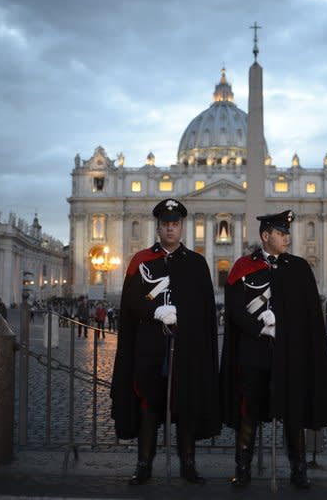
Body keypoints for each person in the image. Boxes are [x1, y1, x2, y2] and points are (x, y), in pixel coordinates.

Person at [220, 210, 327, 489]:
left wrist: (282, 325)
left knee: (293, 411)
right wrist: (260, 327)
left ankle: (298, 469)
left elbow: (308, 314)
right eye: (281, 233)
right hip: (254, 352)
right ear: (266, 236)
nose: (287, 237)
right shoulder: (242, 266)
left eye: (287, 233)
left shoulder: (298, 268)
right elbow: (235, 309)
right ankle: (243, 467)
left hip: (290, 352)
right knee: (249, 410)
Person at [110, 198, 220, 485]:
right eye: (165, 225)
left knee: (185, 407)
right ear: (158, 228)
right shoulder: (141, 260)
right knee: (150, 405)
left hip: (186, 348)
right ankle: (144, 464)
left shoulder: (197, 264)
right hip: (150, 347)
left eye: (175, 224)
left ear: (181, 227)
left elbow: (205, 309)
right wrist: (155, 310)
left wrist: (183, 319)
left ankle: (188, 463)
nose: (170, 229)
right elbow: (132, 301)